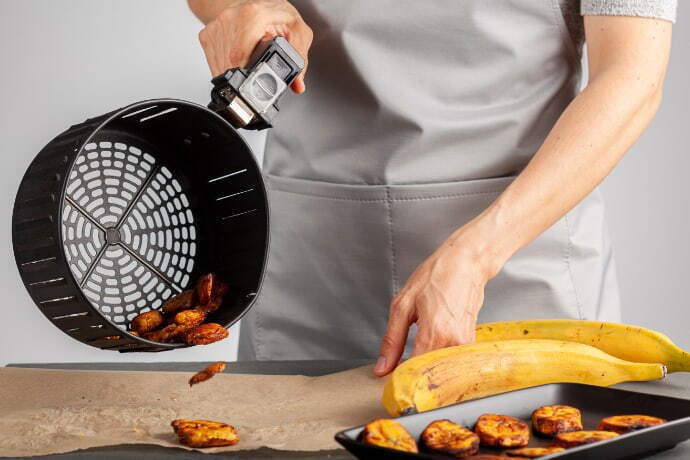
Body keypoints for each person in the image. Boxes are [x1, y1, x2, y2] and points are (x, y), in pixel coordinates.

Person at [187, 0, 676, 376]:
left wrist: (477, 255)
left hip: (517, 260)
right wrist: (239, 8)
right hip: (314, 262)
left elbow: (632, 78)